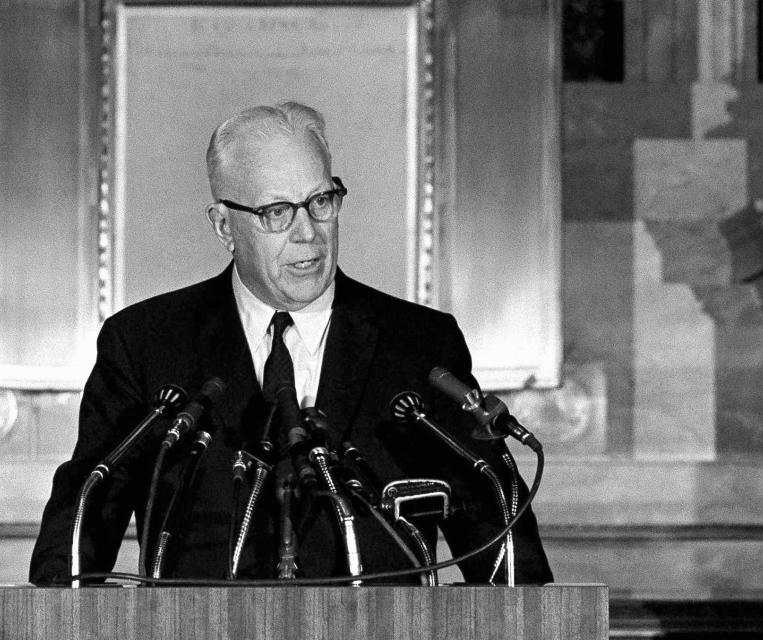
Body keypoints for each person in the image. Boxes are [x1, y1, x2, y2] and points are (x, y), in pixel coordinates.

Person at [29, 101, 552, 585]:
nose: (308, 233)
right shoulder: (145, 343)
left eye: (320, 201)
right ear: (224, 225)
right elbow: (84, 521)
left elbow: (495, 532)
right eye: (277, 212)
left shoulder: (418, 344)